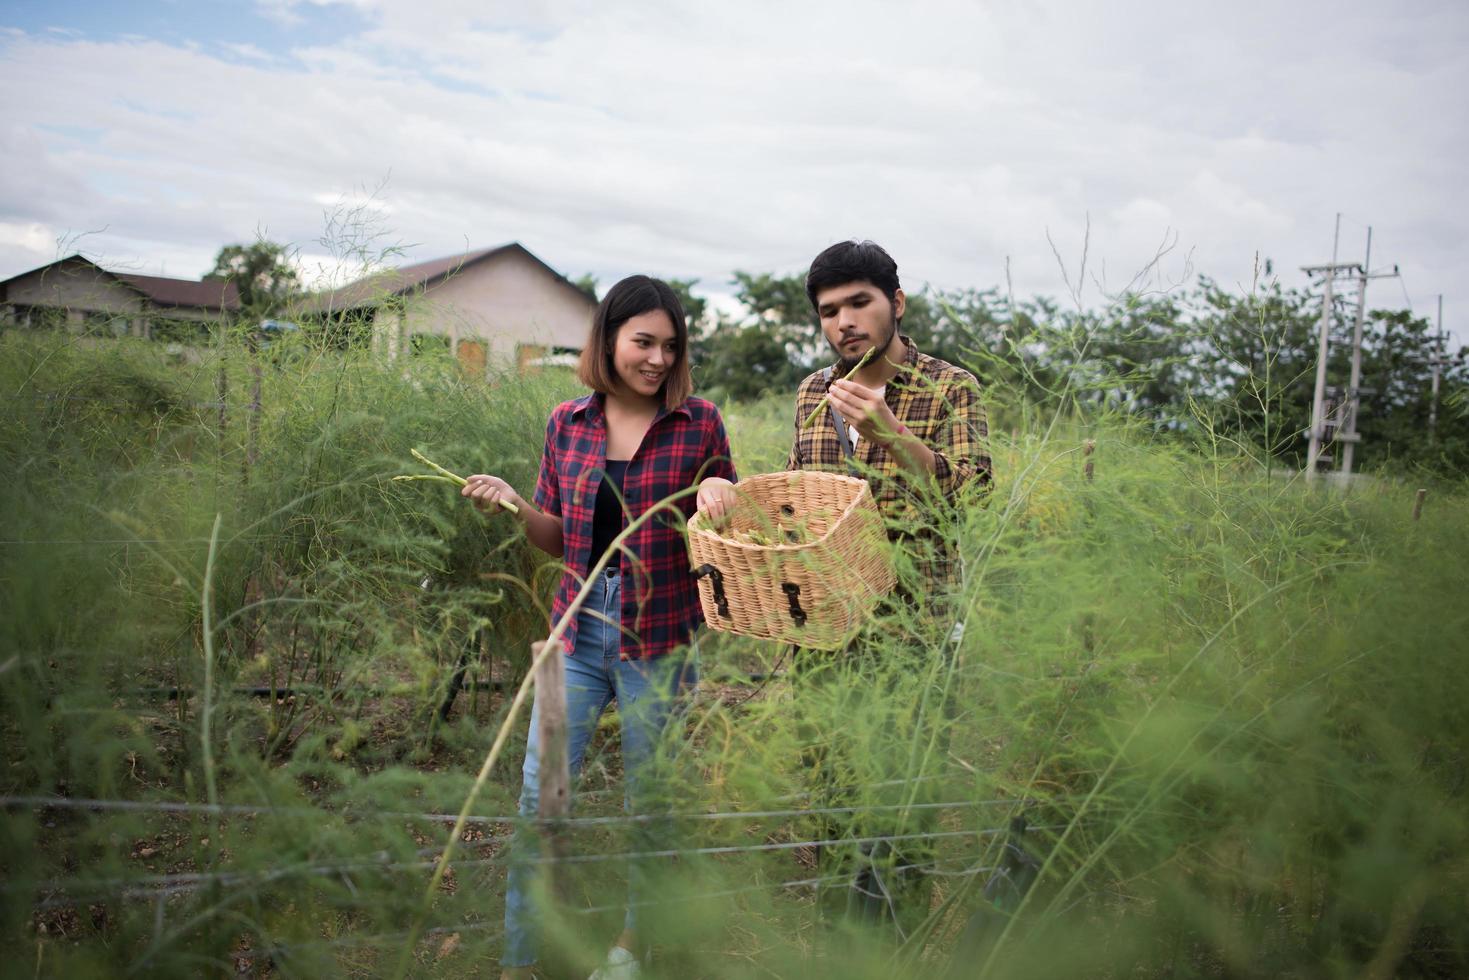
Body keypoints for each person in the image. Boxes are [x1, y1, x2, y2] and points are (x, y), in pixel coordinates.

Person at [462, 275, 738, 980]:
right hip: (574, 637)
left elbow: (728, 522)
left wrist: (720, 492)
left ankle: (628, 949)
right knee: (541, 797)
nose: (657, 359)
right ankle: (521, 957)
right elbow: (557, 540)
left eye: (669, 347)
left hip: (663, 637)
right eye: (643, 342)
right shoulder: (567, 422)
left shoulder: (698, 422)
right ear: (607, 340)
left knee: (652, 807)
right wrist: (514, 503)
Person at [786, 240, 991, 939]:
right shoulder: (813, 393)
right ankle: (839, 941)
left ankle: (897, 946)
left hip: (914, 631)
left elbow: (972, 494)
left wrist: (892, 433)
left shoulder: (949, 387)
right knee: (833, 798)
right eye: (828, 311)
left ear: (895, 304)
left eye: (858, 303)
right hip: (824, 632)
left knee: (904, 804)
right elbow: (799, 501)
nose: (843, 322)